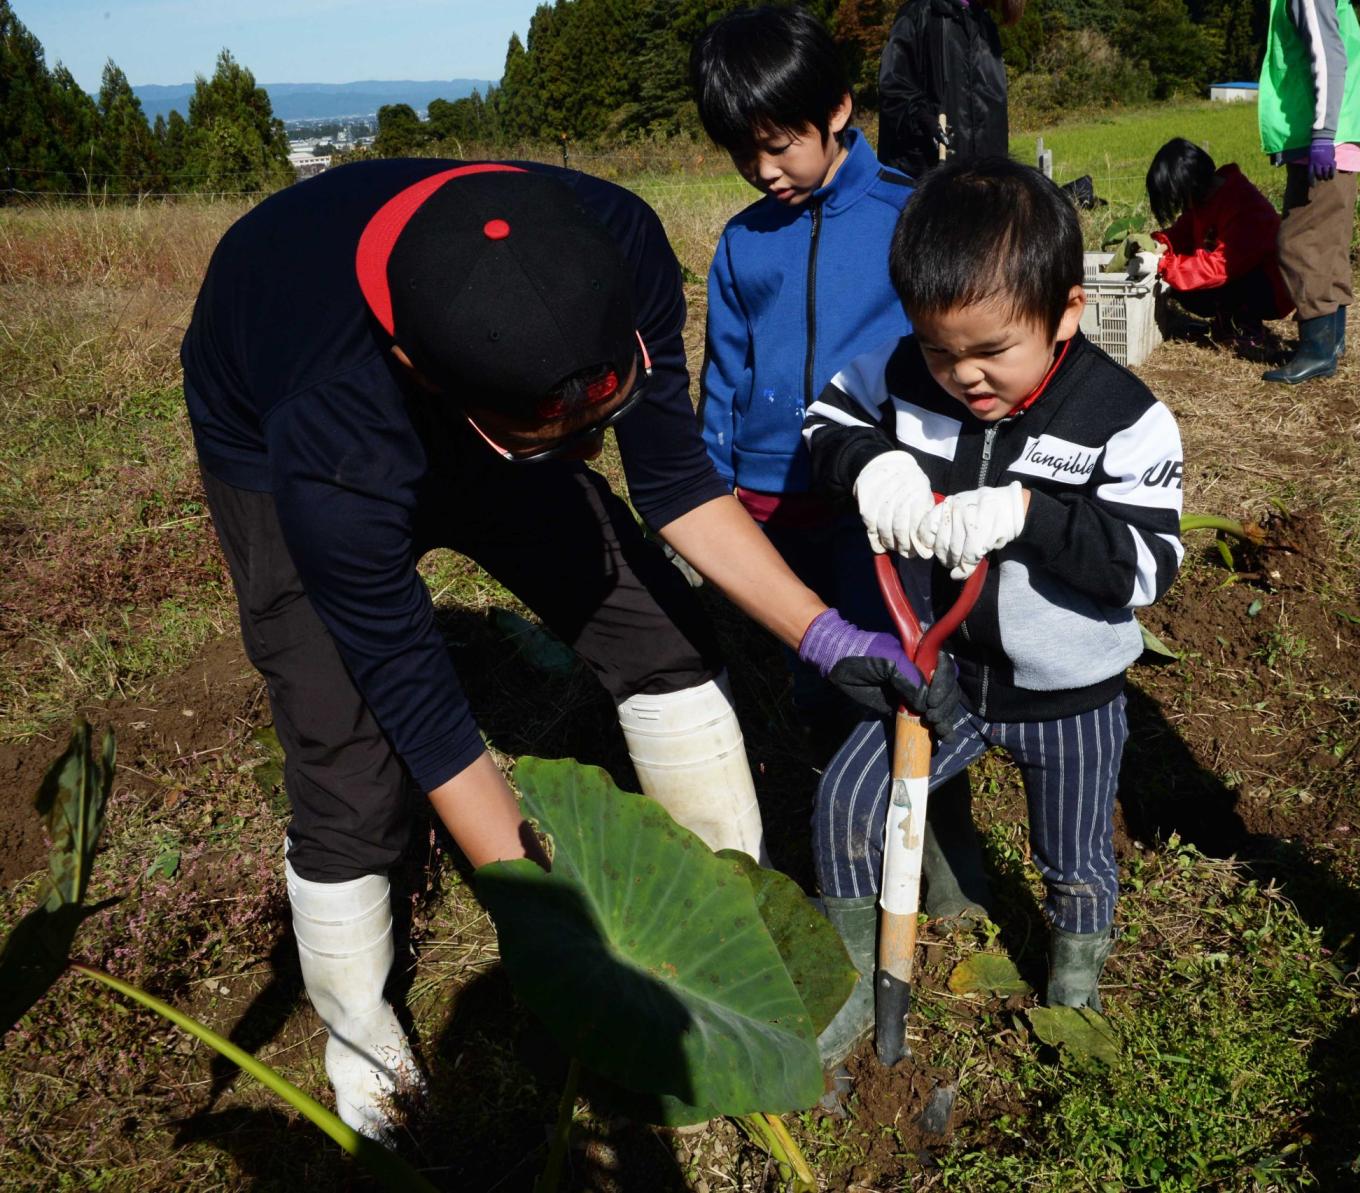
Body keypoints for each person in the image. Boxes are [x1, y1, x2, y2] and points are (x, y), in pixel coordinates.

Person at [181, 160, 954, 1138]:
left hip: (500, 384)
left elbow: (673, 482)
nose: (596, 460)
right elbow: (421, 706)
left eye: (602, 421)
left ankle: (727, 910)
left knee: (659, 628)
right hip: (276, 420)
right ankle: (358, 1031)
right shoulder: (333, 436)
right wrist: (563, 937)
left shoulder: (613, 240)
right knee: (347, 759)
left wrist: (823, 630)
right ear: (438, 385)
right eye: (564, 442)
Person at [799, 157, 1186, 1063]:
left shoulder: (1122, 417)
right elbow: (825, 421)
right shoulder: (901, 375)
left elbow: (1147, 563)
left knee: (1075, 855)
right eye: (942, 350)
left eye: (990, 351)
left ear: (1065, 313)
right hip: (948, 677)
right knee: (848, 800)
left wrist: (1030, 514)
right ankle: (858, 980)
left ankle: (1074, 989)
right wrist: (873, 465)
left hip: (1072, 695)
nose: (964, 376)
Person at [689, 6, 994, 922]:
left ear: (838, 112)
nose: (764, 172)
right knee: (822, 677)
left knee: (905, 670)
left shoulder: (907, 216)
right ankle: (851, 844)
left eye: (779, 145)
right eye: (745, 155)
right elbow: (725, 373)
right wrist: (710, 488)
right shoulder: (744, 244)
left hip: (881, 503)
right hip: (772, 502)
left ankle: (945, 845)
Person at [1258, 0, 1360, 384]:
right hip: (1328, 138)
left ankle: (1317, 351)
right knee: (1326, 242)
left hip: (1326, 141)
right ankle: (1331, 341)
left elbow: (1328, 56)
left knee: (1300, 243)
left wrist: (1324, 134)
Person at [1133, 137, 1293, 347]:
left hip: (1272, 287)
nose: (1182, 206)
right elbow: (1181, 232)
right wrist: (1158, 245)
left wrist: (1163, 265)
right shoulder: (1205, 200)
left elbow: (1221, 266)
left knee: (1216, 279)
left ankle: (1246, 328)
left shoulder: (1243, 205)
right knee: (1182, 285)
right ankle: (1226, 321)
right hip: (1236, 277)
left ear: (1189, 184)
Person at [877, 0, 1023, 180]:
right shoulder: (920, 14)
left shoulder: (985, 26)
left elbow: (993, 115)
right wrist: (923, 120)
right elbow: (893, 87)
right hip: (929, 183)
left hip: (983, 185)